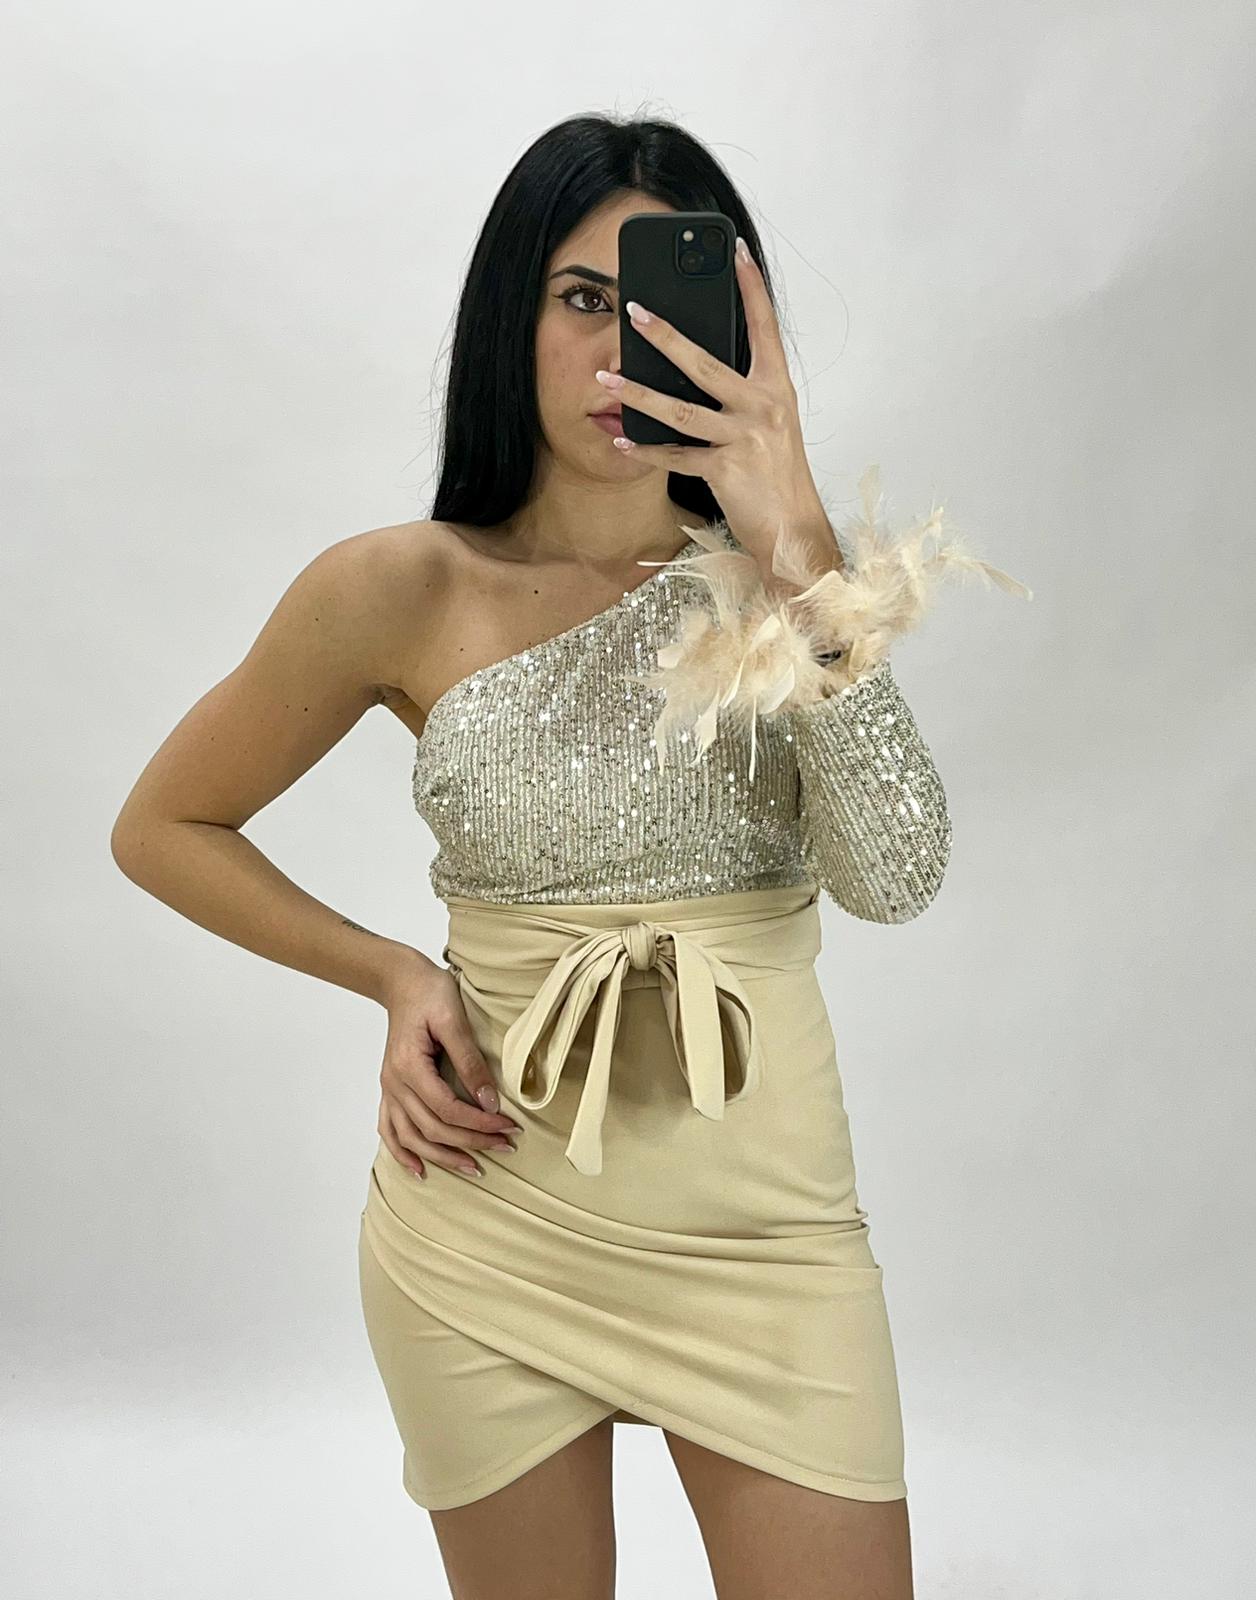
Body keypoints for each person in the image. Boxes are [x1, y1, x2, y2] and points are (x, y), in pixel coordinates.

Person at [111, 112, 1029, 1600]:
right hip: (488, 1222)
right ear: (511, 316)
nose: (624, 349)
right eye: (586, 299)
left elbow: (897, 873)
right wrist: (395, 975)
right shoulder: (401, 588)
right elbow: (165, 826)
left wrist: (796, 540)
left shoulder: (787, 590)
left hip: (767, 1242)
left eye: (665, 304)